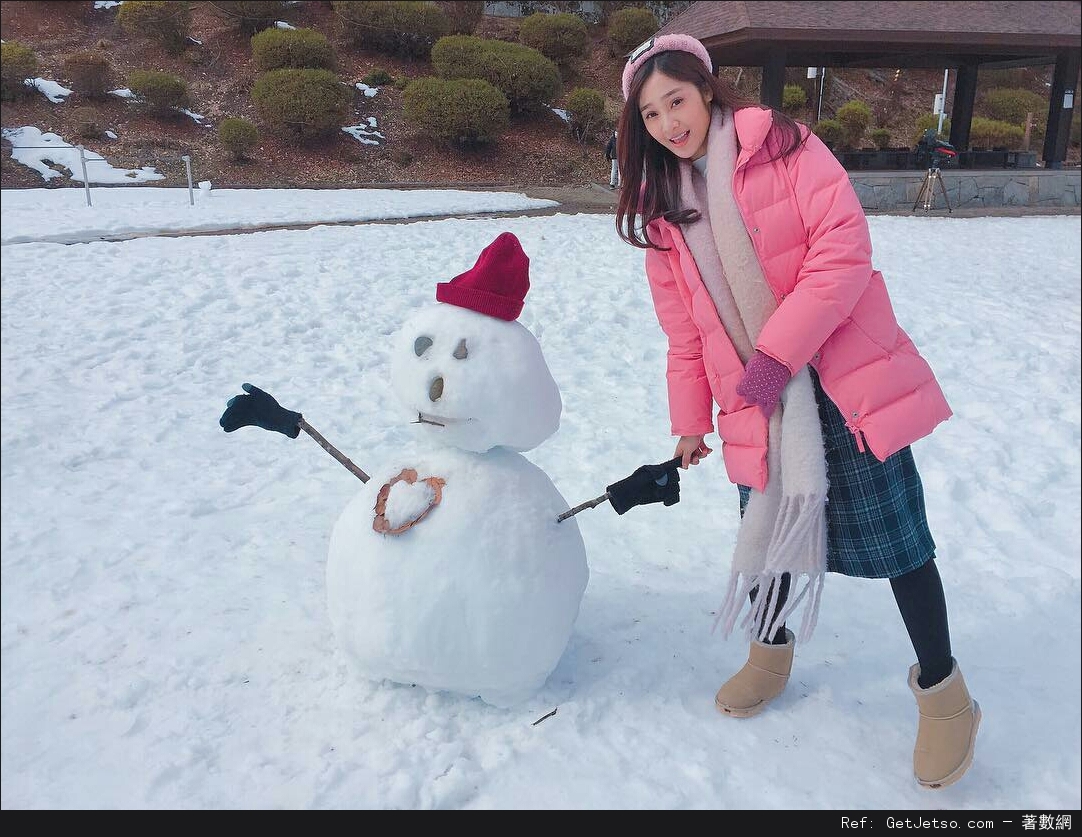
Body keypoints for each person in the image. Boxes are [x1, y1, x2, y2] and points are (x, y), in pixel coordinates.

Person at [614, 33, 980, 790]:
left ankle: (946, 699)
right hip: (758, 401)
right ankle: (768, 653)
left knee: (901, 544)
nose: (668, 123)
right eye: (650, 114)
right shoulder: (663, 213)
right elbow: (683, 331)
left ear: (707, 89)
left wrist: (777, 356)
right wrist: (689, 420)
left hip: (838, 380)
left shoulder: (781, 146)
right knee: (769, 533)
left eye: (675, 100)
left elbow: (842, 253)